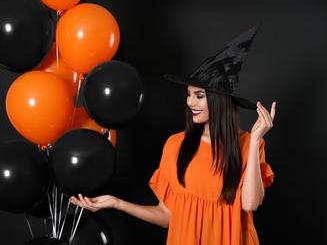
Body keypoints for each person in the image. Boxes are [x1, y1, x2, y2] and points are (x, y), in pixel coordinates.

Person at [71, 25, 276, 245]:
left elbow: (250, 204)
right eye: (189, 95)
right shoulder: (176, 145)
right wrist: (116, 203)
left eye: (199, 96)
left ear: (219, 101)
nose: (190, 102)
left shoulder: (249, 145)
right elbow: (166, 216)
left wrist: (255, 140)